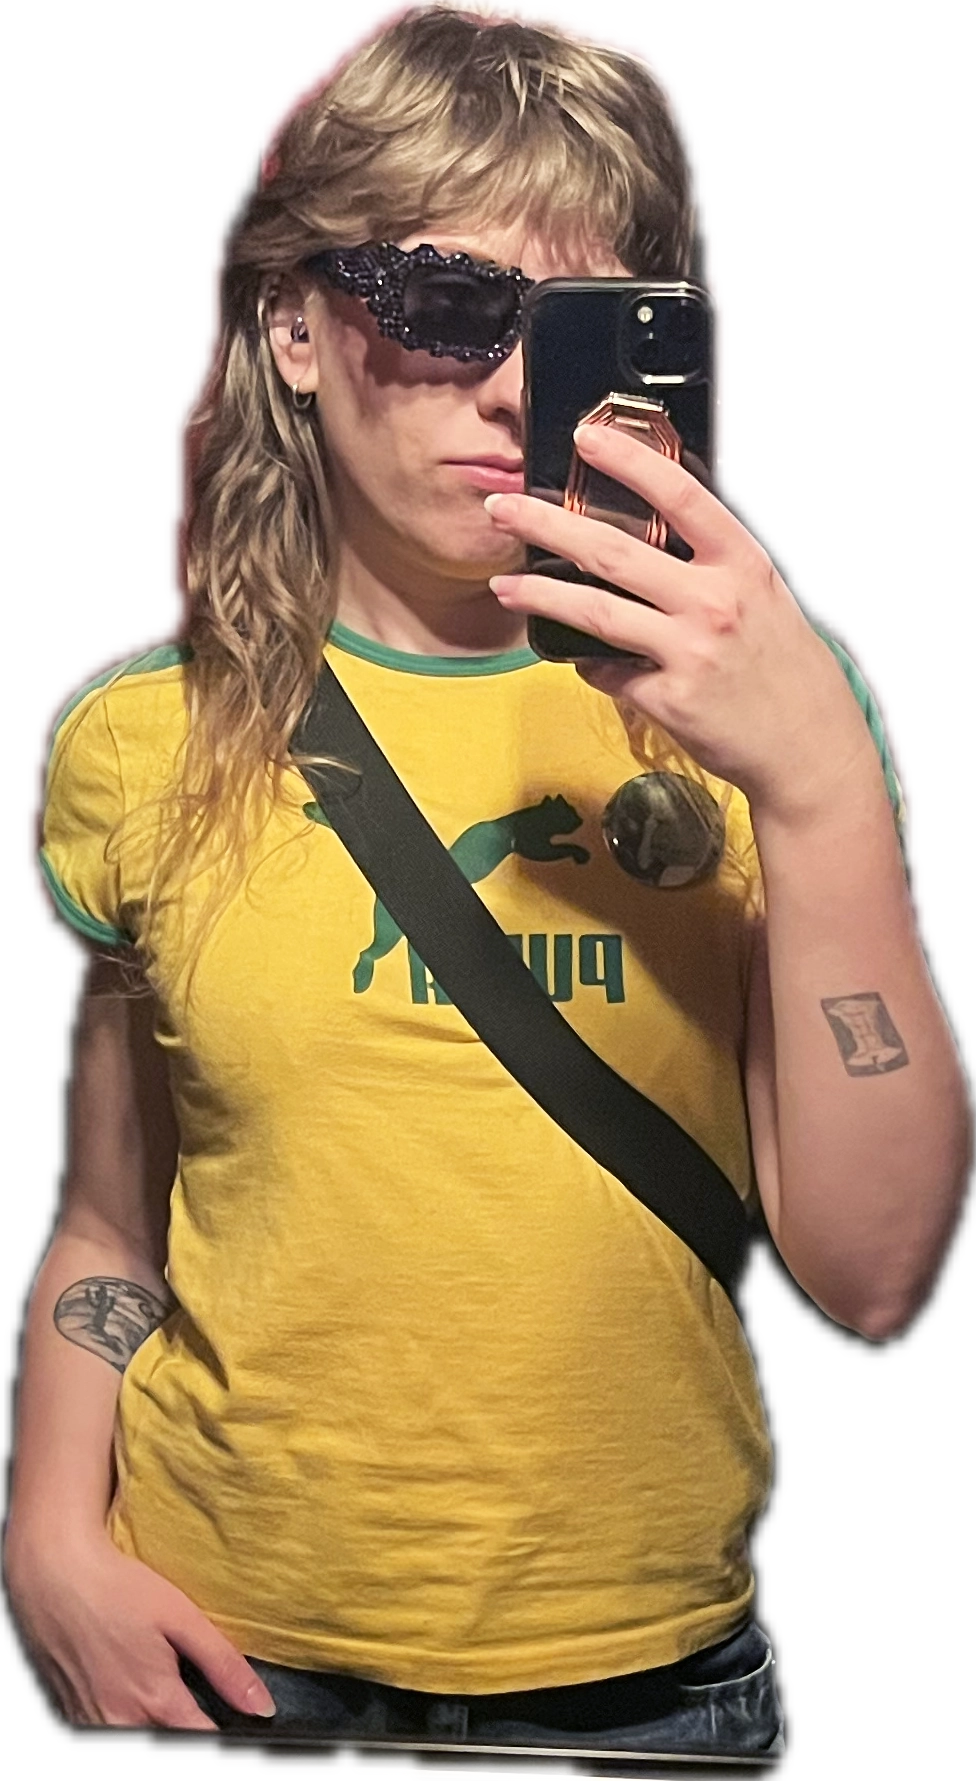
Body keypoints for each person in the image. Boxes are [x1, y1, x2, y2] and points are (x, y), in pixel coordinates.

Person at [6, 1, 974, 1761]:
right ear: (294, 327)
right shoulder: (136, 744)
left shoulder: (757, 712)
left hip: (649, 1696)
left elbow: (875, 1276)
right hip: (227, 1665)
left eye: (589, 331)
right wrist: (51, 1540)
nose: (521, 392)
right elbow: (111, 1223)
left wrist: (825, 791)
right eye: (451, 308)